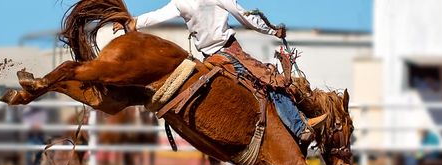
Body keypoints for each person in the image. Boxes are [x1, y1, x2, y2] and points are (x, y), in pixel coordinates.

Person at [117, 0, 313, 144]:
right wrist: (272, 31)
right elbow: (245, 17)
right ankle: (300, 128)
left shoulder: (181, 2)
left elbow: (156, 15)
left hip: (209, 58)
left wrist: (131, 23)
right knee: (269, 81)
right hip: (230, 52)